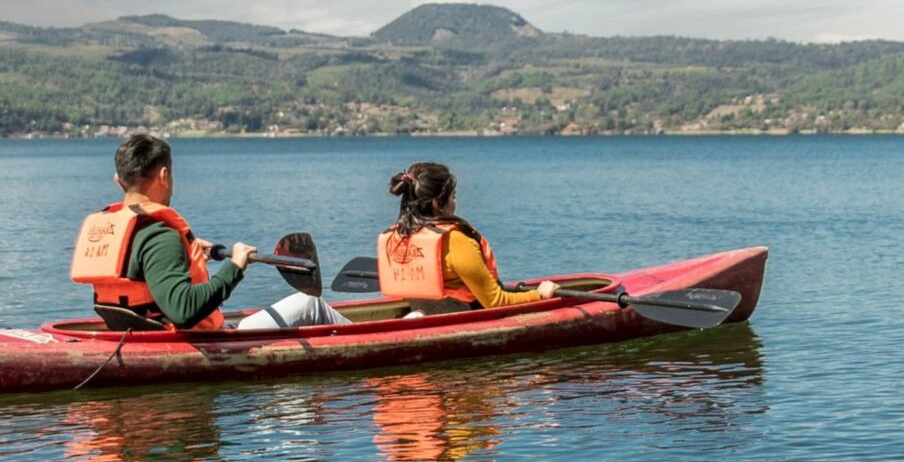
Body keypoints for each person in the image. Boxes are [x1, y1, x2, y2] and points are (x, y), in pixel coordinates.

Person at [72, 134, 349, 331]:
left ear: (118, 180)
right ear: (164, 175)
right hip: (193, 340)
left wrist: (190, 255)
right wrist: (235, 267)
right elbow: (183, 312)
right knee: (310, 305)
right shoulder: (160, 235)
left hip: (144, 333)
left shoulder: (117, 228)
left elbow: (147, 278)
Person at [377, 161, 558, 312]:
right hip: (459, 315)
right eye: (453, 197)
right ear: (436, 202)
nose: (454, 203)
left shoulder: (397, 236)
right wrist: (540, 294)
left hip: (425, 312)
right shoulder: (455, 240)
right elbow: (495, 302)